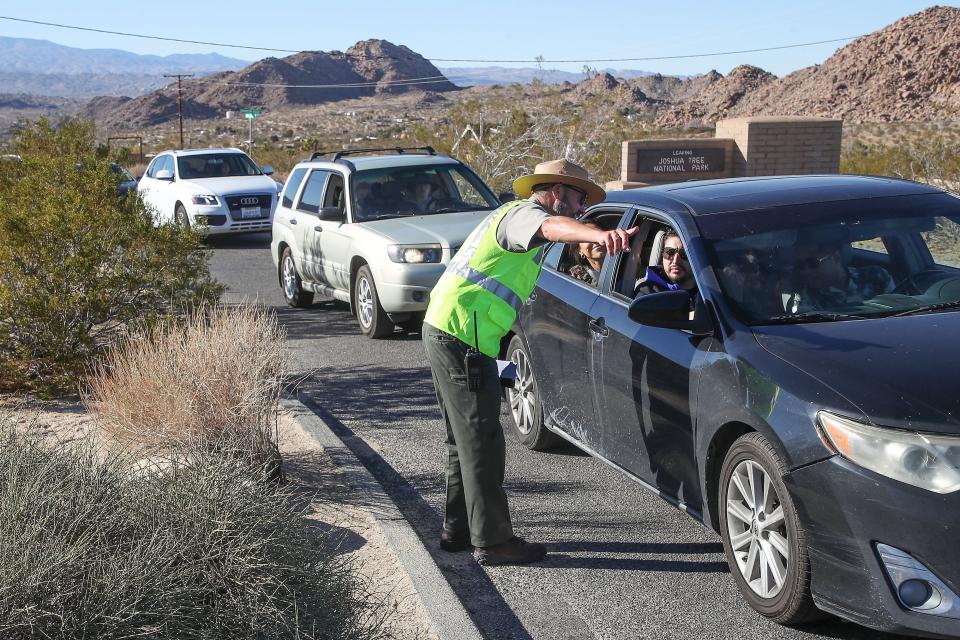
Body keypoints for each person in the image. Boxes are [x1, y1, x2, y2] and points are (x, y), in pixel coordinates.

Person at [422, 158, 637, 566]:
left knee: (463, 439)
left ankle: (459, 529)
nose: (579, 208)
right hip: (462, 336)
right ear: (556, 192)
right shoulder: (526, 215)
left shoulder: (512, 216)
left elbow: (560, 237)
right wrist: (598, 232)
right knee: (482, 440)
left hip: (449, 328)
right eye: (576, 199)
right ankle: (494, 541)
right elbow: (553, 227)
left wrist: (595, 240)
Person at [783, 240, 894, 314]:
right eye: (800, 265)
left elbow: (900, 304)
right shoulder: (804, 298)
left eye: (813, 263)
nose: (806, 271)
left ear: (835, 257)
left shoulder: (876, 276)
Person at [634, 231, 698, 300]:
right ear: (662, 256)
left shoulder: (708, 290)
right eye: (670, 252)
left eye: (684, 254)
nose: (675, 260)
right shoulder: (648, 294)